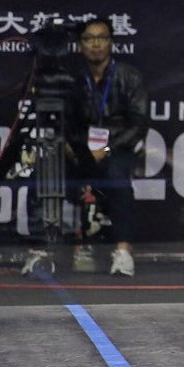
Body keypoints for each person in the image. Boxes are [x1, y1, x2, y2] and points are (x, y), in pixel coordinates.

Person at [65, 18, 149, 276]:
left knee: (117, 177)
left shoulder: (129, 76)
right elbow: (64, 122)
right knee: (47, 172)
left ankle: (123, 252)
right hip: (81, 149)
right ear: (80, 45)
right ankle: (42, 249)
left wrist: (107, 149)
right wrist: (70, 147)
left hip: (116, 149)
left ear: (111, 42)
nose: (96, 44)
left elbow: (139, 124)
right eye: (89, 39)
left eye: (101, 38)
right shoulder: (72, 79)